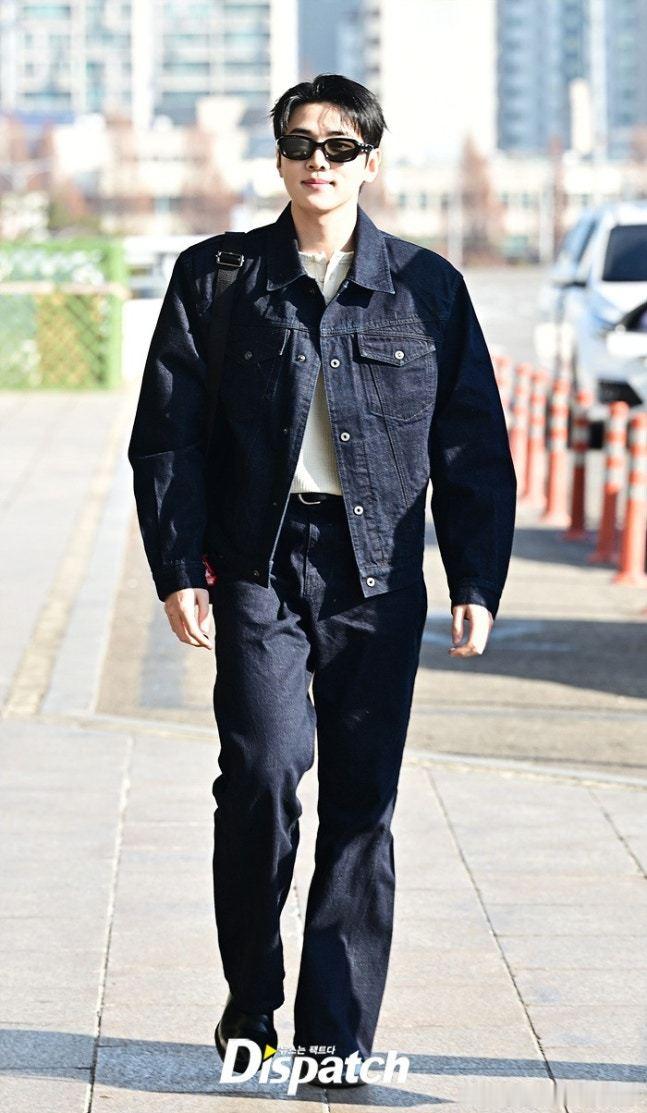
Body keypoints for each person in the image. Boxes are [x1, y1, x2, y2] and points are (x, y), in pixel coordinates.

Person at [127, 73, 517, 1089]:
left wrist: (475, 577)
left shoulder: (426, 287)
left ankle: (334, 1042)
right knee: (260, 773)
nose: (318, 162)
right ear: (278, 159)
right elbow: (166, 437)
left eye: (339, 147)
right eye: (301, 144)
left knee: (361, 799)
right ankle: (251, 1003)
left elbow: (471, 443)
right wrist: (178, 566)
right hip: (257, 564)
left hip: (374, 573)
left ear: (369, 163)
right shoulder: (218, 278)